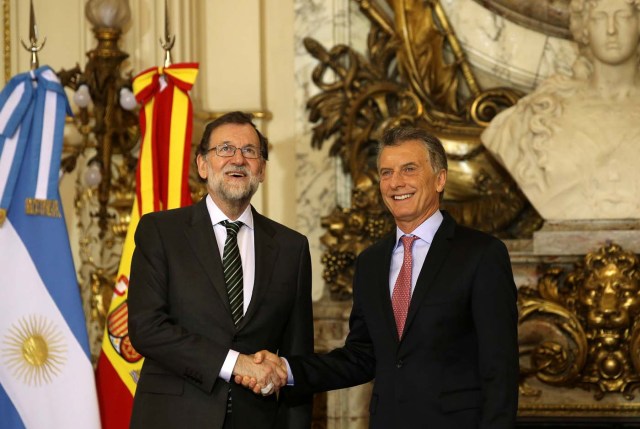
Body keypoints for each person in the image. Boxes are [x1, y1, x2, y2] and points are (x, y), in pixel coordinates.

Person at [240, 126, 519, 428]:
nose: (396, 182)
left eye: (409, 169)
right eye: (386, 173)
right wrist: (286, 368)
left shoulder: (482, 254)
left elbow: (500, 370)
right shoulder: (370, 262)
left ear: (440, 179)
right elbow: (361, 356)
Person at [128, 111, 314, 428]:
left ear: (262, 169)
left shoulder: (291, 248)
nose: (237, 159)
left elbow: (297, 360)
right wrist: (235, 363)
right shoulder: (161, 231)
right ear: (202, 165)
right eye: (225, 149)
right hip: (174, 419)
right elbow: (147, 328)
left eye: (250, 151)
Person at [481, 0, 640, 220]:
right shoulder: (536, 115)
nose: (611, 29)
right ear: (584, 27)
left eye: (623, 16)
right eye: (600, 17)